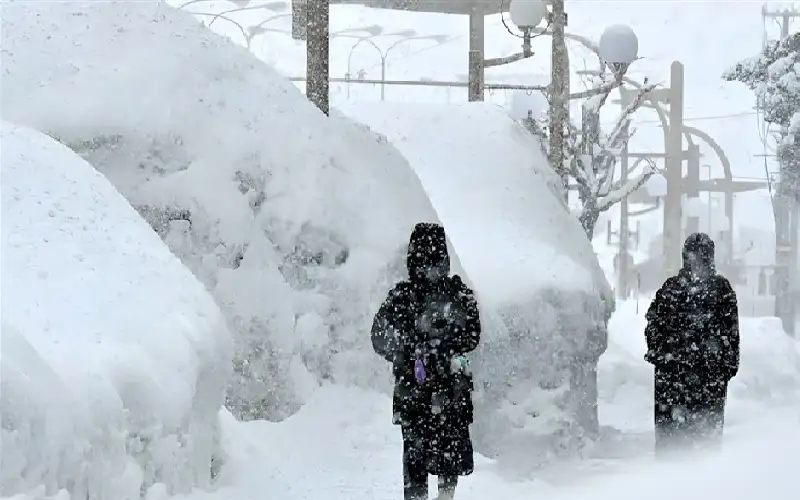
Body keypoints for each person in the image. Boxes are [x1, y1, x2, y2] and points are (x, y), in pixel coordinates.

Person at [371, 222, 481, 500]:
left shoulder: (417, 296)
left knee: (428, 457)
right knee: (427, 457)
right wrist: (413, 346)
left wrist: (431, 343)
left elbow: (471, 334)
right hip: (425, 391)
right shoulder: (412, 296)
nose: (429, 268)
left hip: (436, 392)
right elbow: (380, 337)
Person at [644, 232, 740, 456]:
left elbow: (653, 328)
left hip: (676, 384)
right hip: (701, 382)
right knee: (703, 448)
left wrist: (666, 358)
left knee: (675, 446)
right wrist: (722, 367)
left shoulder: (673, 289)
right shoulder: (720, 291)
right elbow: (731, 337)